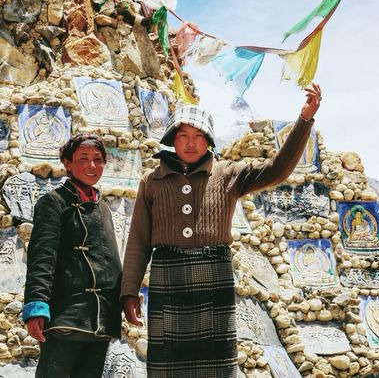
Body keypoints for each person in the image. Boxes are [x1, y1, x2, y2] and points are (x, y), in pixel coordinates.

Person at [121, 84, 322, 377]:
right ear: (172, 139)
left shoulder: (228, 174)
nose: (191, 143)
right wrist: (129, 291)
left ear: (209, 140)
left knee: (216, 366)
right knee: (168, 366)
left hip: (214, 278)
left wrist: (304, 120)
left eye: (198, 136)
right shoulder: (152, 181)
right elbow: (138, 240)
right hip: (169, 278)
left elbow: (278, 168)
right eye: (183, 136)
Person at [22, 134, 122, 378]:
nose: (91, 165)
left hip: (99, 321)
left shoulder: (103, 207)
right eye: (83, 158)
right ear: (67, 163)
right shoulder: (53, 202)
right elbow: (42, 257)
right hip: (65, 316)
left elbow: (111, 261)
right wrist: (36, 306)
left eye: (98, 159)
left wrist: (121, 302)